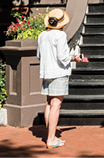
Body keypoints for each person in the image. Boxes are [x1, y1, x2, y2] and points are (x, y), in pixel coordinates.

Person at [36, 8, 86, 149]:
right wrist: (74, 58)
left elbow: (39, 55)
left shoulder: (42, 35)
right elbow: (63, 58)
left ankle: (50, 135)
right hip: (58, 73)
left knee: (49, 104)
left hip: (46, 72)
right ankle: (51, 139)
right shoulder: (60, 35)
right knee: (56, 105)